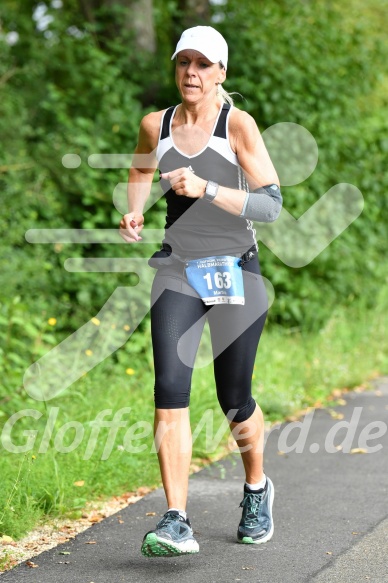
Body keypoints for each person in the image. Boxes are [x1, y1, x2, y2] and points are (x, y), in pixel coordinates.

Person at [119, 25, 282, 557]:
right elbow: (141, 164)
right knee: (169, 390)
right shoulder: (156, 124)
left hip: (235, 268)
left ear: (221, 73)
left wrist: (208, 187)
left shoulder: (238, 125)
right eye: (184, 62)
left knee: (234, 399)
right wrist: (136, 207)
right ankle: (174, 520)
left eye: (203, 64)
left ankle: (256, 489)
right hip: (177, 269)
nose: (192, 72)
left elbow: (272, 205)